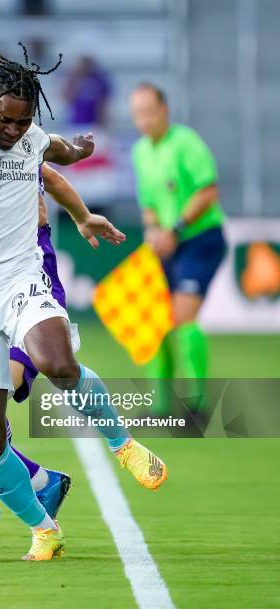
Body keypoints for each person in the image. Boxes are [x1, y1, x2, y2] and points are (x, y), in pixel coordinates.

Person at [0, 43, 167, 561]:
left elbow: (51, 152)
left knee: (57, 363)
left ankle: (124, 445)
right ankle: (43, 528)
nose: (14, 130)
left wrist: (77, 167)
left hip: (19, 279)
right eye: (6, 119)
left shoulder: (30, 136)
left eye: (24, 120)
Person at [129, 83, 226, 413]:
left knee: (183, 315)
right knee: (153, 320)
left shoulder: (186, 143)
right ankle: (160, 405)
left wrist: (176, 229)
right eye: (137, 114)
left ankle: (198, 403)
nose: (143, 120)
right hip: (167, 243)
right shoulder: (140, 151)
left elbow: (208, 191)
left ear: (164, 111)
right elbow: (148, 202)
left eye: (148, 112)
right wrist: (154, 229)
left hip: (200, 239)